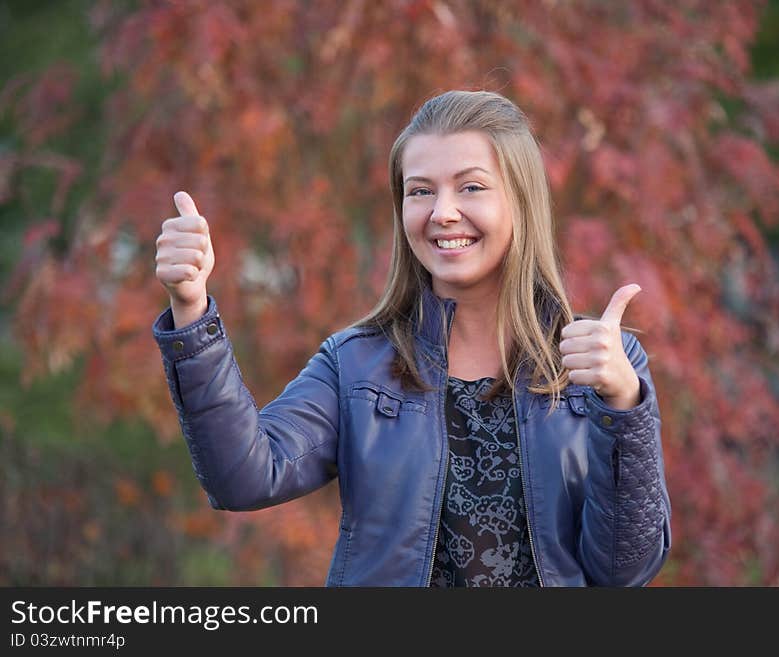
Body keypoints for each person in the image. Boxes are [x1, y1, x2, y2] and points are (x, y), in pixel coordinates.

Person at [152, 90, 671, 587]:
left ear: (521, 201)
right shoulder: (355, 366)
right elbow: (242, 477)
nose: (442, 211)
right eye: (420, 190)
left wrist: (623, 407)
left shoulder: (601, 365)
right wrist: (191, 308)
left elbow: (625, 569)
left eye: (470, 187)